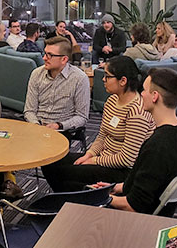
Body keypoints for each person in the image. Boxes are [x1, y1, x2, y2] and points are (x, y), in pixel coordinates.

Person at [42, 56, 155, 192]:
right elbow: (102, 136)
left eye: (107, 76)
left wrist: (94, 161)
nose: (103, 79)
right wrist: (89, 154)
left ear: (123, 81)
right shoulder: (112, 100)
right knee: (49, 161)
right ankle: (69, 197)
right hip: (103, 157)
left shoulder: (137, 111)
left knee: (65, 173)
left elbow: (127, 159)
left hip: (122, 170)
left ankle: (74, 200)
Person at [93, 68, 177, 216]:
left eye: (144, 90)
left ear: (155, 96)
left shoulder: (158, 147)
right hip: (149, 206)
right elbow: (147, 183)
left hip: (138, 220)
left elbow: (133, 206)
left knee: (76, 191)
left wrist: (101, 196)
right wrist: (118, 187)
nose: (141, 94)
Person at [24, 36, 89, 133]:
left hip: (62, 131)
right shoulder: (36, 74)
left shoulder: (79, 78)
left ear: (64, 59)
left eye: (50, 55)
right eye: (45, 53)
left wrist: (59, 125)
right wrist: (36, 125)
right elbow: (29, 110)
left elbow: (82, 117)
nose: (44, 58)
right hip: (36, 127)